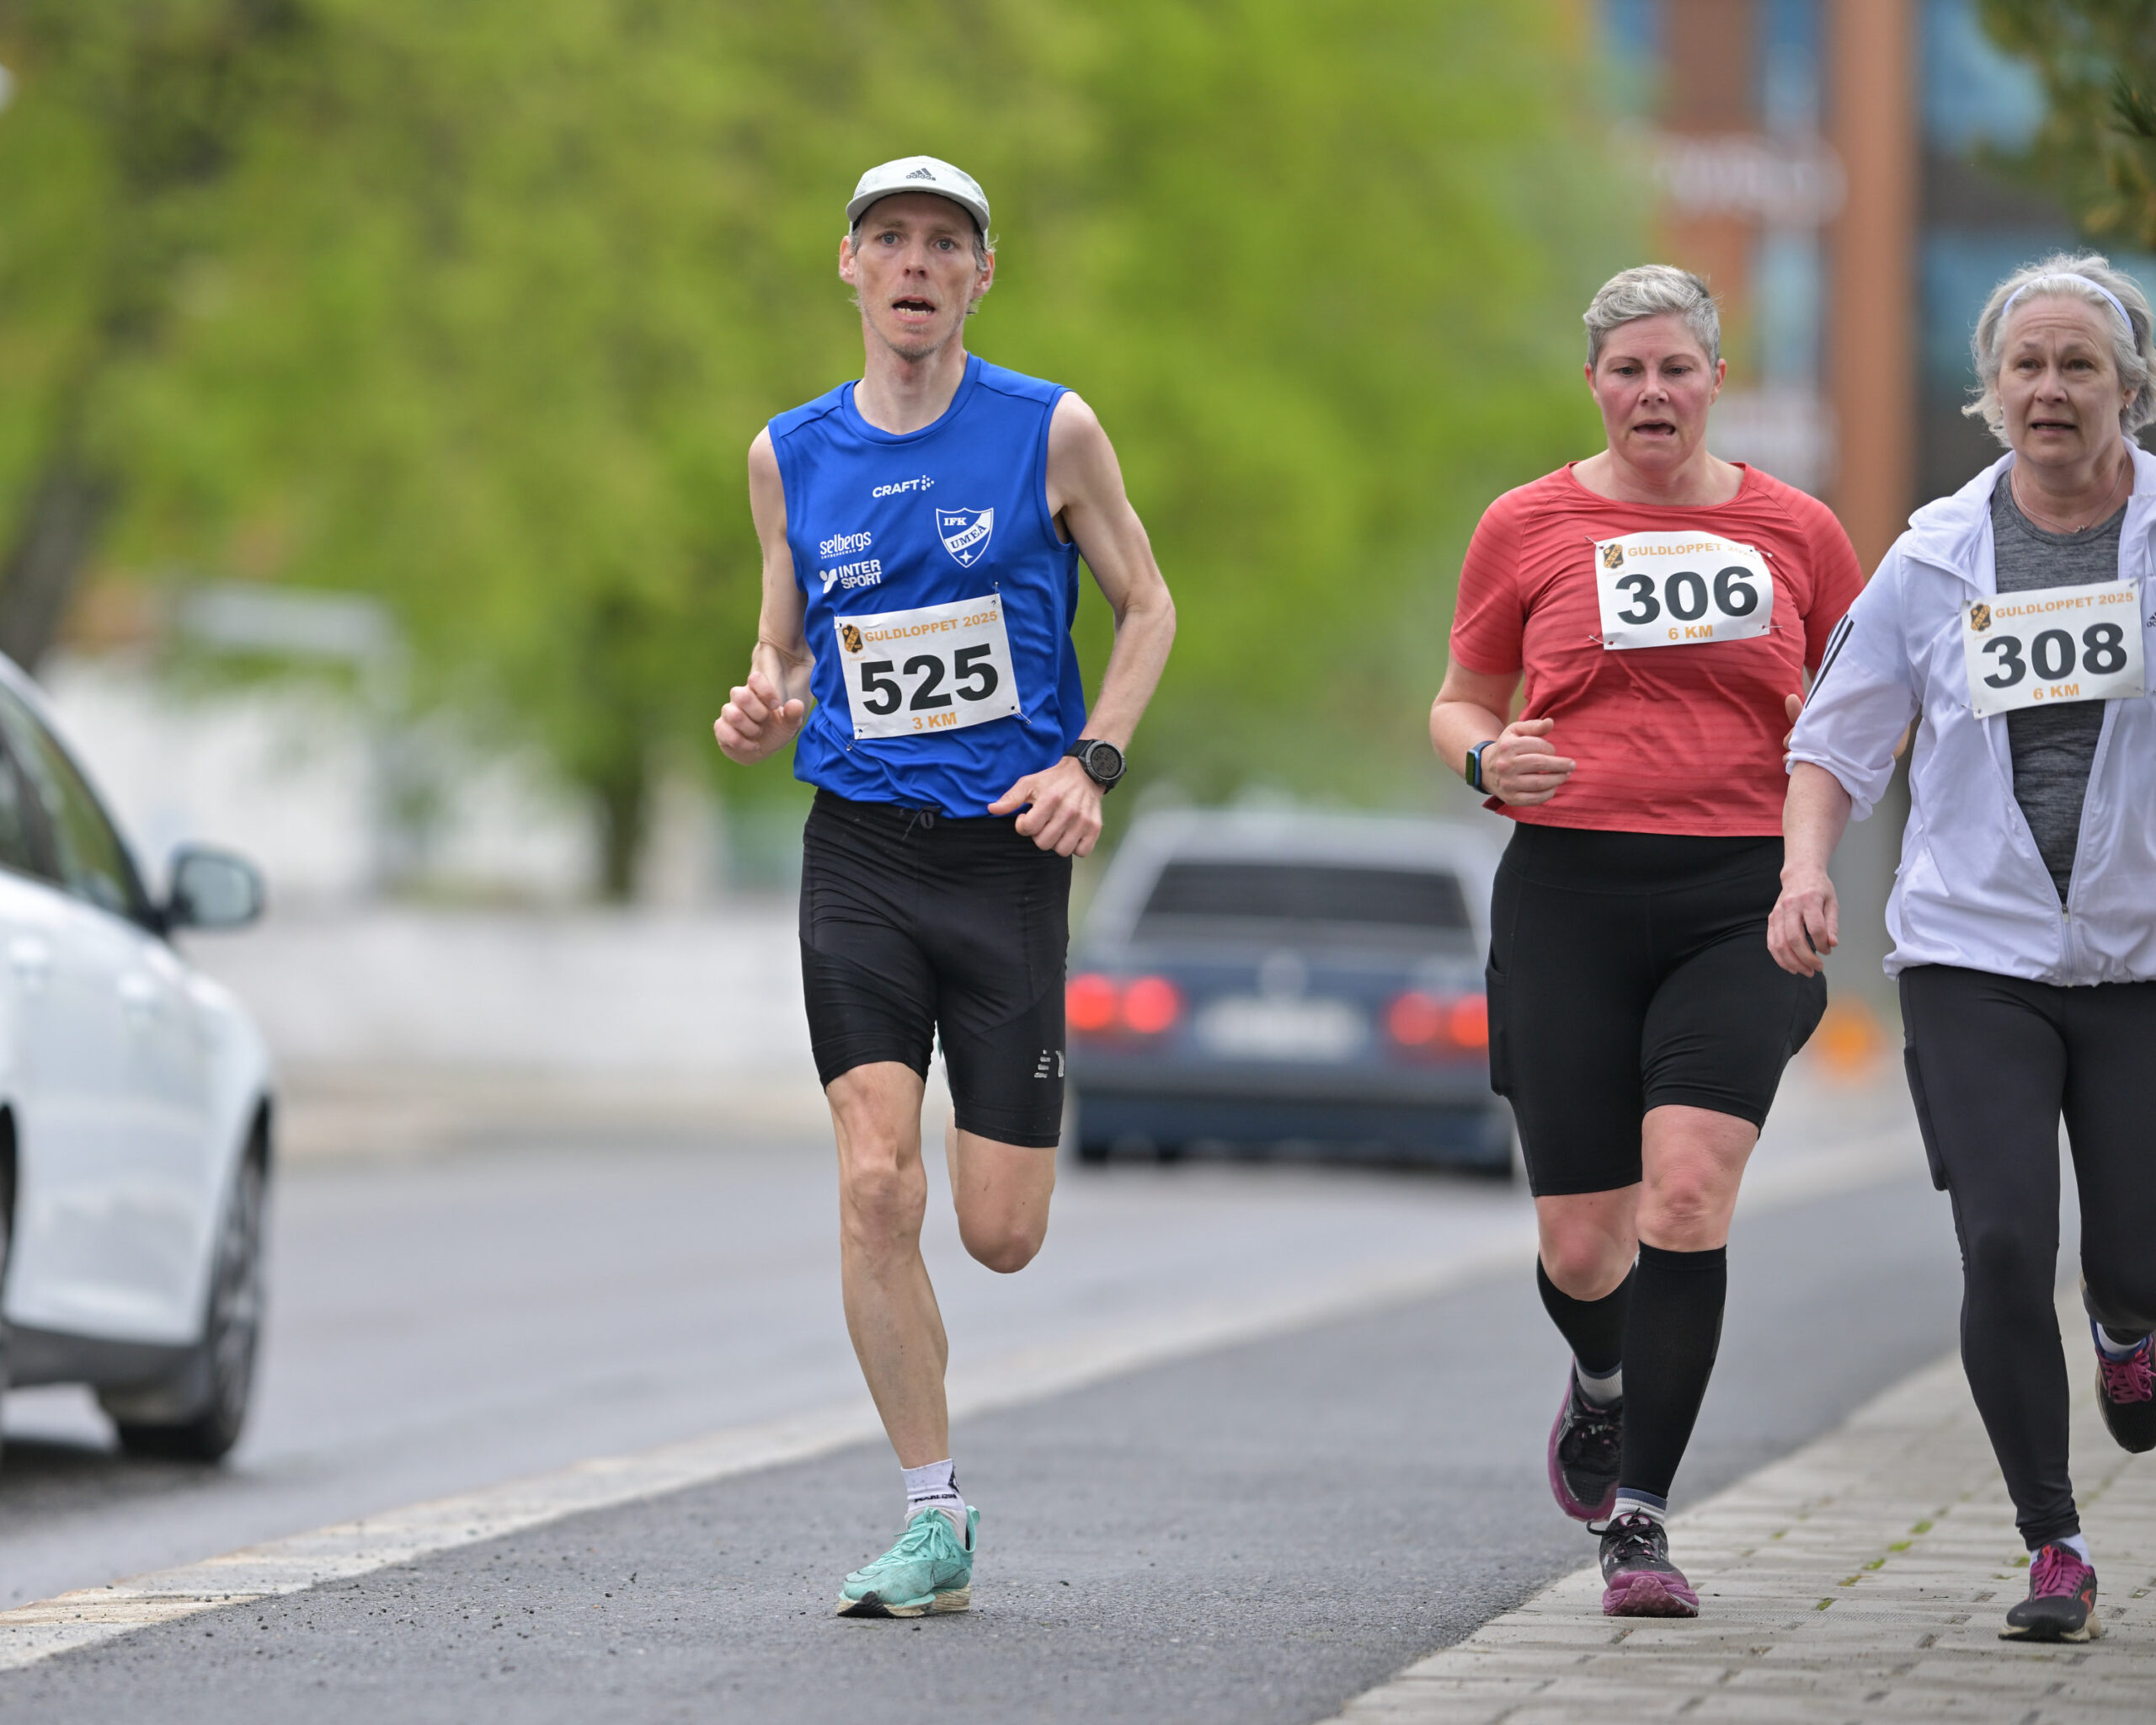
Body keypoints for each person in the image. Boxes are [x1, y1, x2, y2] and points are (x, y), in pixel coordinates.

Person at [712, 156, 1175, 1618]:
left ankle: (939, 1478)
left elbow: (1149, 607)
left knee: (1000, 1234)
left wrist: (1092, 762)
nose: (916, 265)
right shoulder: (788, 454)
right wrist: (765, 696)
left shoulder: (1052, 431)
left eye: (945, 244)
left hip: (1006, 857)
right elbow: (786, 641)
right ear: (848, 265)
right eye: (892, 240)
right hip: (857, 848)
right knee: (874, 1182)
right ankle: (933, 1512)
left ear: (982, 275)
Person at [1429, 264, 1862, 1617]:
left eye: (1677, 368)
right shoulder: (1526, 524)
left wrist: (1812, 861)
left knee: (1683, 1193)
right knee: (1582, 1249)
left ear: (1717, 379)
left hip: (1739, 898)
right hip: (1568, 894)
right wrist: (1488, 758)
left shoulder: (1799, 531)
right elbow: (1458, 701)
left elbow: (1860, 714)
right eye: (1628, 370)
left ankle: (1642, 1522)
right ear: (1595, 385)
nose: (1653, 392)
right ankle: (1602, 1383)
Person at [1774, 251, 2156, 1646]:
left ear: (2129, 388)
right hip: (1972, 951)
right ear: (1991, 393)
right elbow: (1834, 742)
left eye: (2079, 365)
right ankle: (2054, 1543)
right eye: (2026, 366)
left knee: (2139, 1255)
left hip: (2141, 955)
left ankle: (2129, 1325)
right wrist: (1804, 870)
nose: (2051, 389)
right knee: (2001, 1243)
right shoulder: (1934, 555)